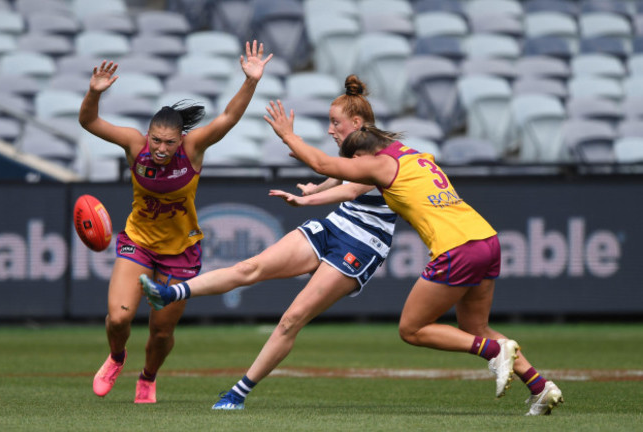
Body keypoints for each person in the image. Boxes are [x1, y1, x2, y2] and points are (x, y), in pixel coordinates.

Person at [261, 101, 564, 416]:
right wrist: (311, 194)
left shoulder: (378, 164)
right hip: (486, 239)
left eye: (355, 162)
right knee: (475, 325)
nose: (355, 169)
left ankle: (493, 350)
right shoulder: (412, 155)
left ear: (364, 155)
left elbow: (324, 164)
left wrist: (287, 135)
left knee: (412, 329)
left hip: (455, 247)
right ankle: (540, 387)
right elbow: (343, 183)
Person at [140, 75, 398, 410]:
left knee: (292, 319)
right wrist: (316, 189)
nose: (331, 129)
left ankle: (238, 393)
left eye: (336, 123)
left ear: (357, 123)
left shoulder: (381, 155)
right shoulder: (356, 152)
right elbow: (340, 174)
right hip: (336, 226)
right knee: (250, 267)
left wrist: (304, 197)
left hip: (362, 246)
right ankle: (170, 292)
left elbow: (351, 186)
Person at [78, 40, 273, 403]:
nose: (161, 149)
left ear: (180, 139)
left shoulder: (193, 149)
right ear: (148, 135)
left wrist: (250, 81)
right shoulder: (135, 146)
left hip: (180, 252)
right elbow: (88, 121)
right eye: (156, 141)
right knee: (119, 319)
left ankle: (148, 377)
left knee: (162, 332)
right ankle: (117, 357)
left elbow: (228, 118)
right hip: (137, 243)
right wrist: (93, 92)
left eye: (168, 142)